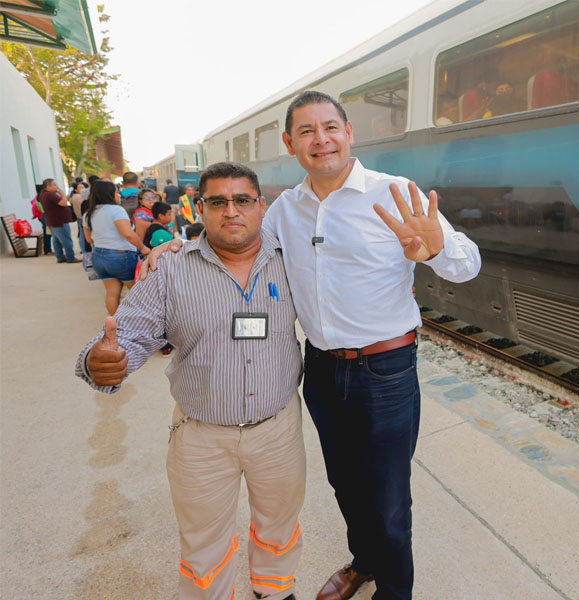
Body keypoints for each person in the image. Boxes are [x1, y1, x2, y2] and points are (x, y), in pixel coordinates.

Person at [143, 90, 480, 600]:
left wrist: (436, 250)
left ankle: (394, 591)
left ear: (349, 133)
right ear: (290, 144)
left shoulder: (395, 193)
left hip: (386, 369)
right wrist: (178, 246)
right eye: (306, 131)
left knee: (389, 499)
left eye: (330, 127)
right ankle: (364, 562)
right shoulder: (284, 211)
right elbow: (236, 238)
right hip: (321, 370)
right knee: (345, 485)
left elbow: (467, 265)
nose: (320, 139)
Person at [77, 162, 305, 600]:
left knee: (279, 528)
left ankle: (275, 593)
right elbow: (131, 330)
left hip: (278, 430)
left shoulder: (293, 261)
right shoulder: (172, 268)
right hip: (202, 437)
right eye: (217, 202)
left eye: (242, 200)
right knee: (204, 545)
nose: (231, 211)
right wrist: (101, 360)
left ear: (262, 207)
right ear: (199, 208)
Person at [83, 181, 150, 315]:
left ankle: (116, 326)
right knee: (139, 293)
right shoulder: (116, 210)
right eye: (116, 192)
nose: (119, 195)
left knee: (112, 294)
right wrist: (143, 248)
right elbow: (128, 234)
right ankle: (143, 323)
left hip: (99, 257)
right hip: (120, 257)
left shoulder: (88, 214)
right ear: (109, 194)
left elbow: (89, 239)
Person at [39, 178, 78, 263]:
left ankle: (60, 257)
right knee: (66, 240)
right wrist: (62, 193)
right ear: (48, 186)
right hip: (59, 221)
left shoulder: (44, 194)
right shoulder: (50, 195)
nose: (57, 186)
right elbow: (63, 203)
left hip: (53, 220)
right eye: (54, 184)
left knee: (56, 240)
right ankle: (70, 257)